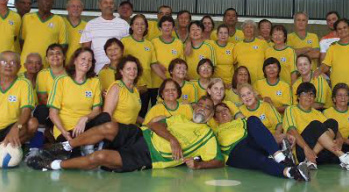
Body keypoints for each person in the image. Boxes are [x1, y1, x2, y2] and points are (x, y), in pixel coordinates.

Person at [28, 97, 220, 172]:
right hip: (141, 134)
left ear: (211, 114)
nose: (202, 109)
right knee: (109, 126)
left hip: (148, 156)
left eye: (207, 108)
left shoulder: (208, 136)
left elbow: (218, 160)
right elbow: (154, 125)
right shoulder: (180, 119)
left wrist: (200, 164)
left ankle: (53, 165)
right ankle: (65, 146)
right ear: (194, 107)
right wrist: (173, 139)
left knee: (101, 157)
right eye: (200, 105)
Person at [186, 103, 310, 181]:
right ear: (215, 118)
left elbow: (262, 134)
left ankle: (280, 157)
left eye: (225, 110)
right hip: (234, 152)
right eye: (219, 112)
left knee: (252, 119)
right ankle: (291, 172)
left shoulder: (240, 121)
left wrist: (284, 135)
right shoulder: (214, 130)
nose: (223, 113)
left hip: (250, 141)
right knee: (260, 159)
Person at [283, 82, 349, 171]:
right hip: (302, 150)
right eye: (305, 94)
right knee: (315, 124)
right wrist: (306, 148)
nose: (309, 97)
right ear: (298, 97)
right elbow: (292, 131)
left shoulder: (318, 113)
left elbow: (333, 128)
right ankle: (344, 157)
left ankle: (310, 160)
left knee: (332, 122)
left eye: (311, 94)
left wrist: (340, 138)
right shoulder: (291, 109)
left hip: (317, 154)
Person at [47, 47, 103, 143]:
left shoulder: (95, 82)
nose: (87, 62)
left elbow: (97, 110)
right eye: (83, 59)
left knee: (105, 117)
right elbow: (53, 113)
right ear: (75, 61)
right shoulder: (61, 81)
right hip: (66, 131)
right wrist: (64, 132)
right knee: (75, 151)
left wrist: (85, 118)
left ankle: (88, 145)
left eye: (90, 60)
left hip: (86, 127)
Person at [121, 14, 165, 118]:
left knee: (142, 114)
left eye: (142, 24)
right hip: (129, 86)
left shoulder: (149, 44)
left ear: (146, 27)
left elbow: (153, 64)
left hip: (145, 86)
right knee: (129, 114)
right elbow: (119, 62)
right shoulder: (124, 41)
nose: (140, 26)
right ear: (131, 26)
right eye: (136, 24)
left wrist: (166, 79)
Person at [80, 0, 130, 71]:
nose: (109, 5)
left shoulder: (124, 24)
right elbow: (86, 50)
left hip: (118, 70)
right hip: (96, 70)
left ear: (114, 6)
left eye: (111, 3)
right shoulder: (91, 24)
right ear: (100, 5)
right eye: (105, 3)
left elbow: (127, 48)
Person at [20, 0, 67, 70]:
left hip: (47, 65)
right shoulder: (27, 18)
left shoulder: (59, 20)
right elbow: (21, 41)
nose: (47, 3)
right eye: (44, 0)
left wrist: (54, 61)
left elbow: (63, 45)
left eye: (50, 1)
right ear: (38, 2)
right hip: (26, 64)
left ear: (53, 4)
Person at [151, 15, 184, 104]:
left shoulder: (178, 43)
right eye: (164, 25)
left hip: (173, 84)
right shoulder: (153, 42)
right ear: (160, 28)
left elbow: (181, 64)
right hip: (155, 83)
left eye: (169, 25)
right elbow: (151, 61)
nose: (167, 27)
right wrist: (157, 64)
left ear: (173, 28)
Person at [103, 55, 143, 126]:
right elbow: (107, 116)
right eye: (128, 69)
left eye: (135, 69)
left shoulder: (135, 90)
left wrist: (148, 122)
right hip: (117, 131)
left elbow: (131, 114)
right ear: (121, 71)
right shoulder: (116, 88)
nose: (132, 71)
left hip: (131, 130)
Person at [34, 44, 66, 129]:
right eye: (51, 54)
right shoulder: (43, 74)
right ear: (46, 59)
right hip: (50, 108)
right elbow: (42, 99)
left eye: (58, 53)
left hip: (69, 108)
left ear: (64, 57)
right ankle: (42, 133)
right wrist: (57, 109)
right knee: (41, 110)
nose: (55, 56)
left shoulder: (71, 73)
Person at [64, 0, 87, 64]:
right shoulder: (61, 22)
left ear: (82, 9)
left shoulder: (87, 26)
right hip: (61, 63)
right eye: (73, 6)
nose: (76, 8)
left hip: (78, 64)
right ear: (67, 8)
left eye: (78, 6)